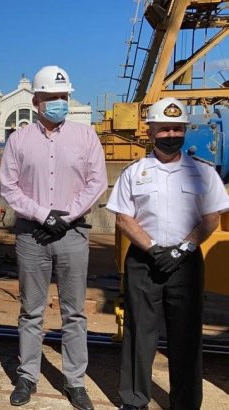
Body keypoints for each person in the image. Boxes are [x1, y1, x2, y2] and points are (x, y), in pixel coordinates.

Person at [106, 98, 229, 410]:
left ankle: (185, 403)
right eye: (164, 129)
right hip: (144, 261)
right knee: (139, 334)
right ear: (151, 133)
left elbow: (211, 217)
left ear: (185, 131)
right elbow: (123, 217)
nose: (171, 134)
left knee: (186, 336)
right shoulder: (135, 172)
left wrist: (183, 249)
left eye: (177, 128)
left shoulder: (203, 173)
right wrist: (153, 248)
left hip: (186, 263)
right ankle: (134, 400)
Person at [0, 65, 107, 409]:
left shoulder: (86, 137)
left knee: (74, 312)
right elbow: (9, 187)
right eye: (51, 98)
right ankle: (27, 376)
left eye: (63, 97)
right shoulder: (19, 140)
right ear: (36, 101)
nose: (58, 103)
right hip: (32, 235)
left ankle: (75, 381)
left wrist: (67, 214)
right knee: (31, 311)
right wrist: (43, 214)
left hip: (72, 233)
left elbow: (97, 183)